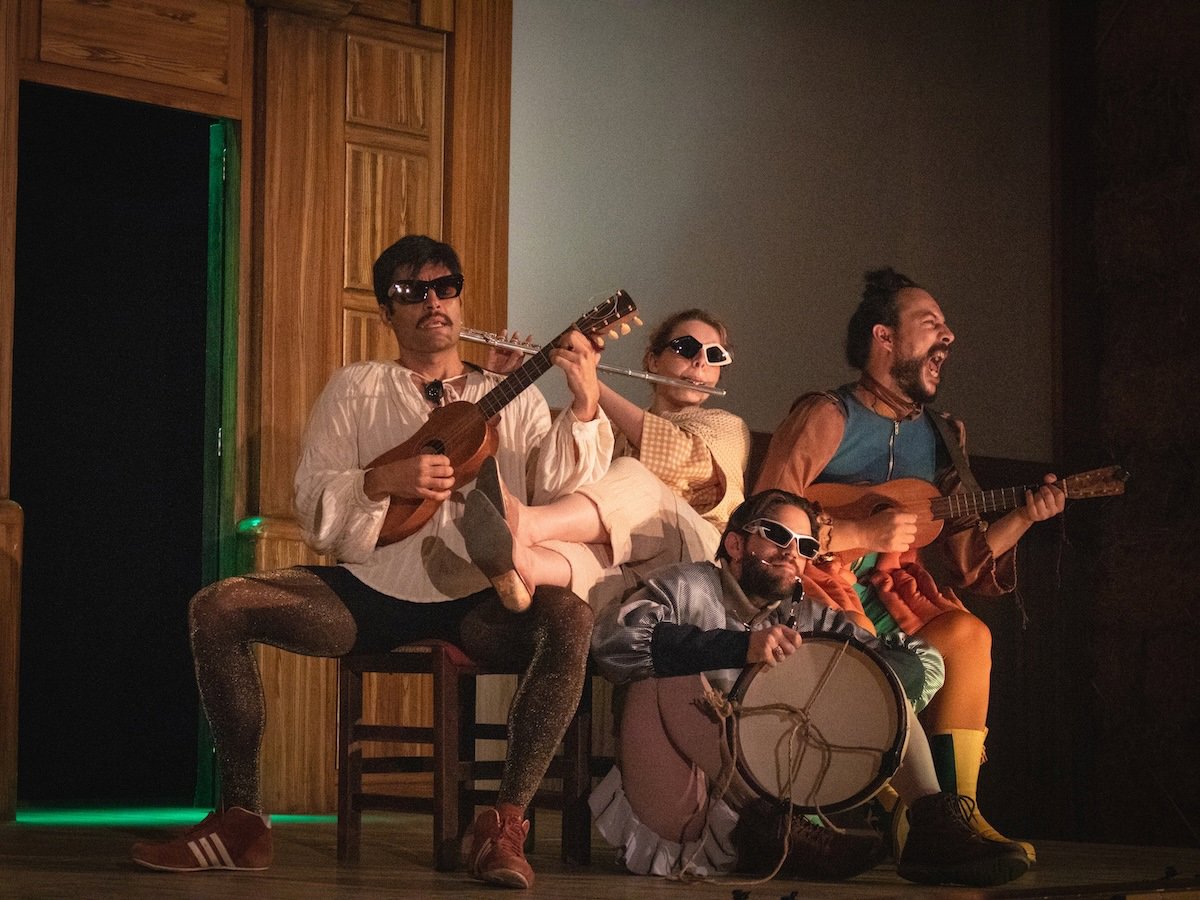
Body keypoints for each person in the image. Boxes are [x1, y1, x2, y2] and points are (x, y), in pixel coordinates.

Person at [131, 234, 615, 890]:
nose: (433, 302)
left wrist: (583, 400)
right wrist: (382, 479)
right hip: (371, 592)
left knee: (571, 618)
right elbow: (312, 501)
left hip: (479, 598)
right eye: (412, 292)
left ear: (459, 299)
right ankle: (241, 820)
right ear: (387, 311)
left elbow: (564, 491)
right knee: (216, 607)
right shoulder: (355, 388)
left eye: (445, 287)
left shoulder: (510, 392)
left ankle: (503, 825)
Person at [753, 267, 1065, 861]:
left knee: (967, 635)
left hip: (894, 588)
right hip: (817, 583)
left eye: (946, 327)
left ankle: (958, 812)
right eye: (930, 324)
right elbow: (765, 517)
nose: (948, 337)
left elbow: (968, 559)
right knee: (859, 640)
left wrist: (1027, 516)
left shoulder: (945, 436)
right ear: (884, 337)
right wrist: (859, 531)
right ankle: (892, 809)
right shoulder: (827, 414)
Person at [588, 489, 1031, 887]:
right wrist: (740, 648)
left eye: (805, 546)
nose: (791, 553)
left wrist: (832, 677)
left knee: (872, 673)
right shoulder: (687, 585)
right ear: (736, 544)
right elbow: (613, 642)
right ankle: (779, 832)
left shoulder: (808, 616)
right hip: (681, 797)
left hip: (777, 794)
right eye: (777, 535)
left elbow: (920, 665)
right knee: (668, 674)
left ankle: (932, 823)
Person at [467, 310, 750, 612]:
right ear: (653, 360)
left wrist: (595, 386)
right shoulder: (612, 431)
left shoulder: (727, 426)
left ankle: (526, 524)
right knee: (589, 548)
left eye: (715, 355)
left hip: (700, 566)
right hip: (637, 567)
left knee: (635, 477)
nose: (700, 361)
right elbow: (553, 486)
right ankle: (528, 567)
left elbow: (681, 459)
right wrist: (580, 400)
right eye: (686, 347)